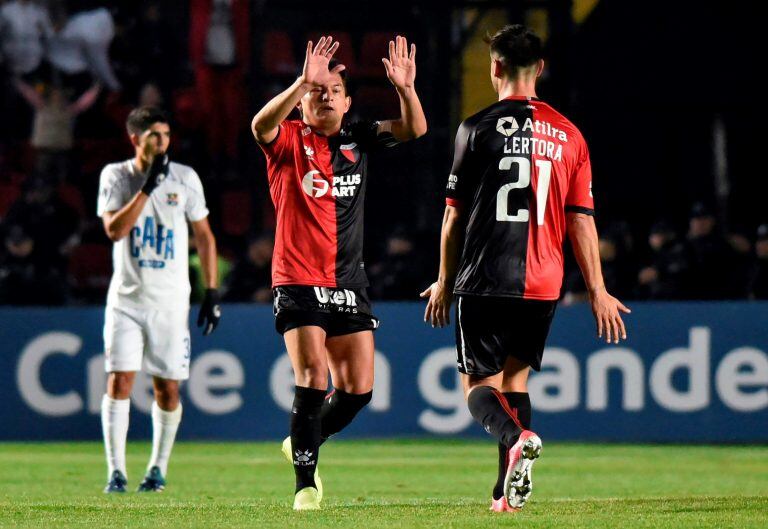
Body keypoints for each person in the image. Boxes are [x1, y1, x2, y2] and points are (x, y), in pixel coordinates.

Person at [421, 25, 629, 513]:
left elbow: (453, 215)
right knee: (515, 384)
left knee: (478, 389)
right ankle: (504, 495)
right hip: (543, 282)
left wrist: (444, 282)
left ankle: (517, 437)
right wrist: (597, 289)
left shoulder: (474, 128)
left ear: (494, 67)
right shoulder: (571, 136)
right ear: (541, 68)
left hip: (486, 275)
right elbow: (581, 220)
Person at [251, 35, 426, 510]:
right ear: (302, 101)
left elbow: (414, 129)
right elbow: (259, 124)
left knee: (357, 391)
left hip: (348, 282)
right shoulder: (287, 139)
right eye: (316, 91)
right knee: (312, 376)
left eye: (332, 90)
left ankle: (303, 439)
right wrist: (299, 81)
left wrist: (406, 89)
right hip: (298, 277)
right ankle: (305, 485)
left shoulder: (359, 137)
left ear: (348, 102)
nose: (324, 96)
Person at [97, 107, 222, 493]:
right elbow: (115, 230)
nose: (162, 142)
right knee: (119, 381)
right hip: (126, 302)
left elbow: (204, 235)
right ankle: (116, 471)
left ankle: (156, 469)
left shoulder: (185, 178)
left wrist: (211, 291)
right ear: (134, 139)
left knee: (168, 388)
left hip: (170, 304)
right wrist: (148, 187)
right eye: (153, 135)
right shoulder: (116, 175)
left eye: (166, 134)